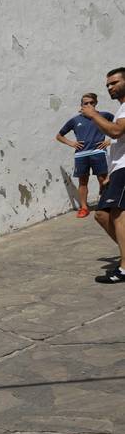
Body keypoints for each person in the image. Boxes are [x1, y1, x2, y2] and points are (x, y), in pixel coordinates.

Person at [84, 67, 125, 283]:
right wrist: (110, 173)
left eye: (114, 82)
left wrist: (93, 115)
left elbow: (116, 132)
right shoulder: (121, 109)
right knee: (102, 214)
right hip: (118, 169)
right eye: (107, 84)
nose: (110, 87)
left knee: (118, 213)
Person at [55, 93, 113, 217]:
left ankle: (104, 205)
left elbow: (119, 128)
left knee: (103, 180)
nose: (89, 105)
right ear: (81, 105)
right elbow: (59, 136)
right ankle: (84, 208)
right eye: (86, 103)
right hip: (81, 155)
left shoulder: (104, 115)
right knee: (83, 182)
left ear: (96, 103)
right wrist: (72, 143)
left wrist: (110, 141)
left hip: (98, 152)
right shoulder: (75, 120)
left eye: (91, 102)